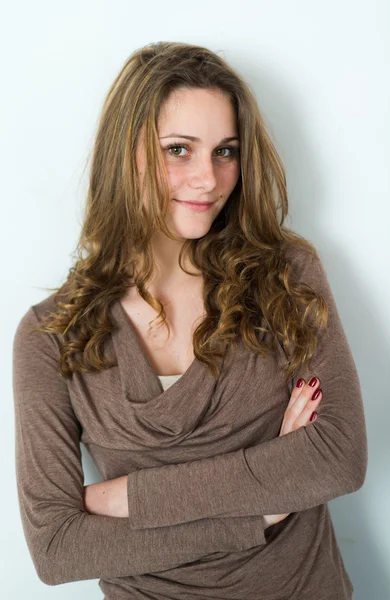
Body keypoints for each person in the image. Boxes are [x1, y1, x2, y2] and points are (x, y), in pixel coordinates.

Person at [12, 41, 367, 599]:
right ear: (124, 154)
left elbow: (338, 458)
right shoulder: (50, 335)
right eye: (179, 149)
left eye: (225, 151)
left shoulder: (285, 276)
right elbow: (58, 549)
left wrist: (129, 496)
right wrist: (265, 508)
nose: (209, 178)